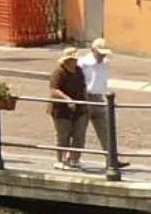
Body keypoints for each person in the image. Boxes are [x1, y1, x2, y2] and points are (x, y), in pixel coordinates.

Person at [78, 39, 126, 168]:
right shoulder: (83, 63)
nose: (102, 55)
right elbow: (79, 81)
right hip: (85, 97)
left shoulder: (105, 63)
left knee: (106, 129)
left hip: (99, 98)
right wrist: (83, 98)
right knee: (80, 129)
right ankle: (73, 159)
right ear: (93, 50)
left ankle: (111, 159)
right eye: (100, 53)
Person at [50, 48, 90, 170]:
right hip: (62, 110)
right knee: (63, 135)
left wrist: (87, 103)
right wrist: (67, 99)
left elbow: (83, 87)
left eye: (74, 59)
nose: (73, 62)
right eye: (70, 59)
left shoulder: (79, 71)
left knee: (79, 134)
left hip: (79, 107)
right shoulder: (59, 72)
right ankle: (60, 160)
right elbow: (54, 90)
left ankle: (74, 159)